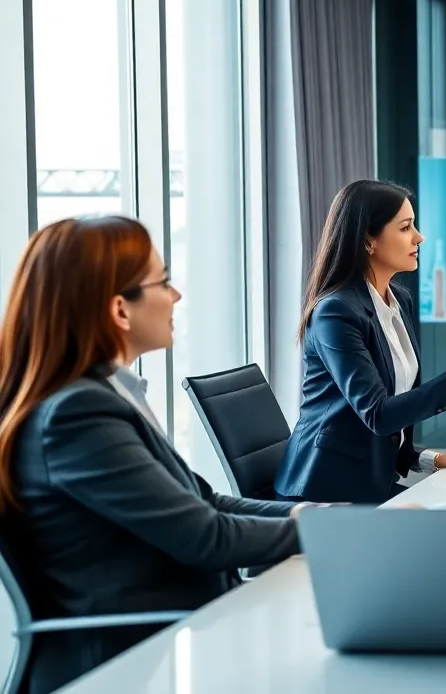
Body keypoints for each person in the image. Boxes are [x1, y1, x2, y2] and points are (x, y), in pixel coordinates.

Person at [0, 217, 305, 694]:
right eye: (163, 281)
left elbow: (208, 503)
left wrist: (310, 515)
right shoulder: (77, 415)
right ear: (120, 309)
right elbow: (205, 537)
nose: (176, 295)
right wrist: (322, 531)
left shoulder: (104, 397)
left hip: (167, 638)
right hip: (122, 664)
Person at [274, 180, 446, 504]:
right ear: (369, 240)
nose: (419, 237)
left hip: (371, 482)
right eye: (406, 227)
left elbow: (392, 417)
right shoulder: (335, 313)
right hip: (325, 493)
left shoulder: (400, 301)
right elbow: (379, 415)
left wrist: (434, 460)